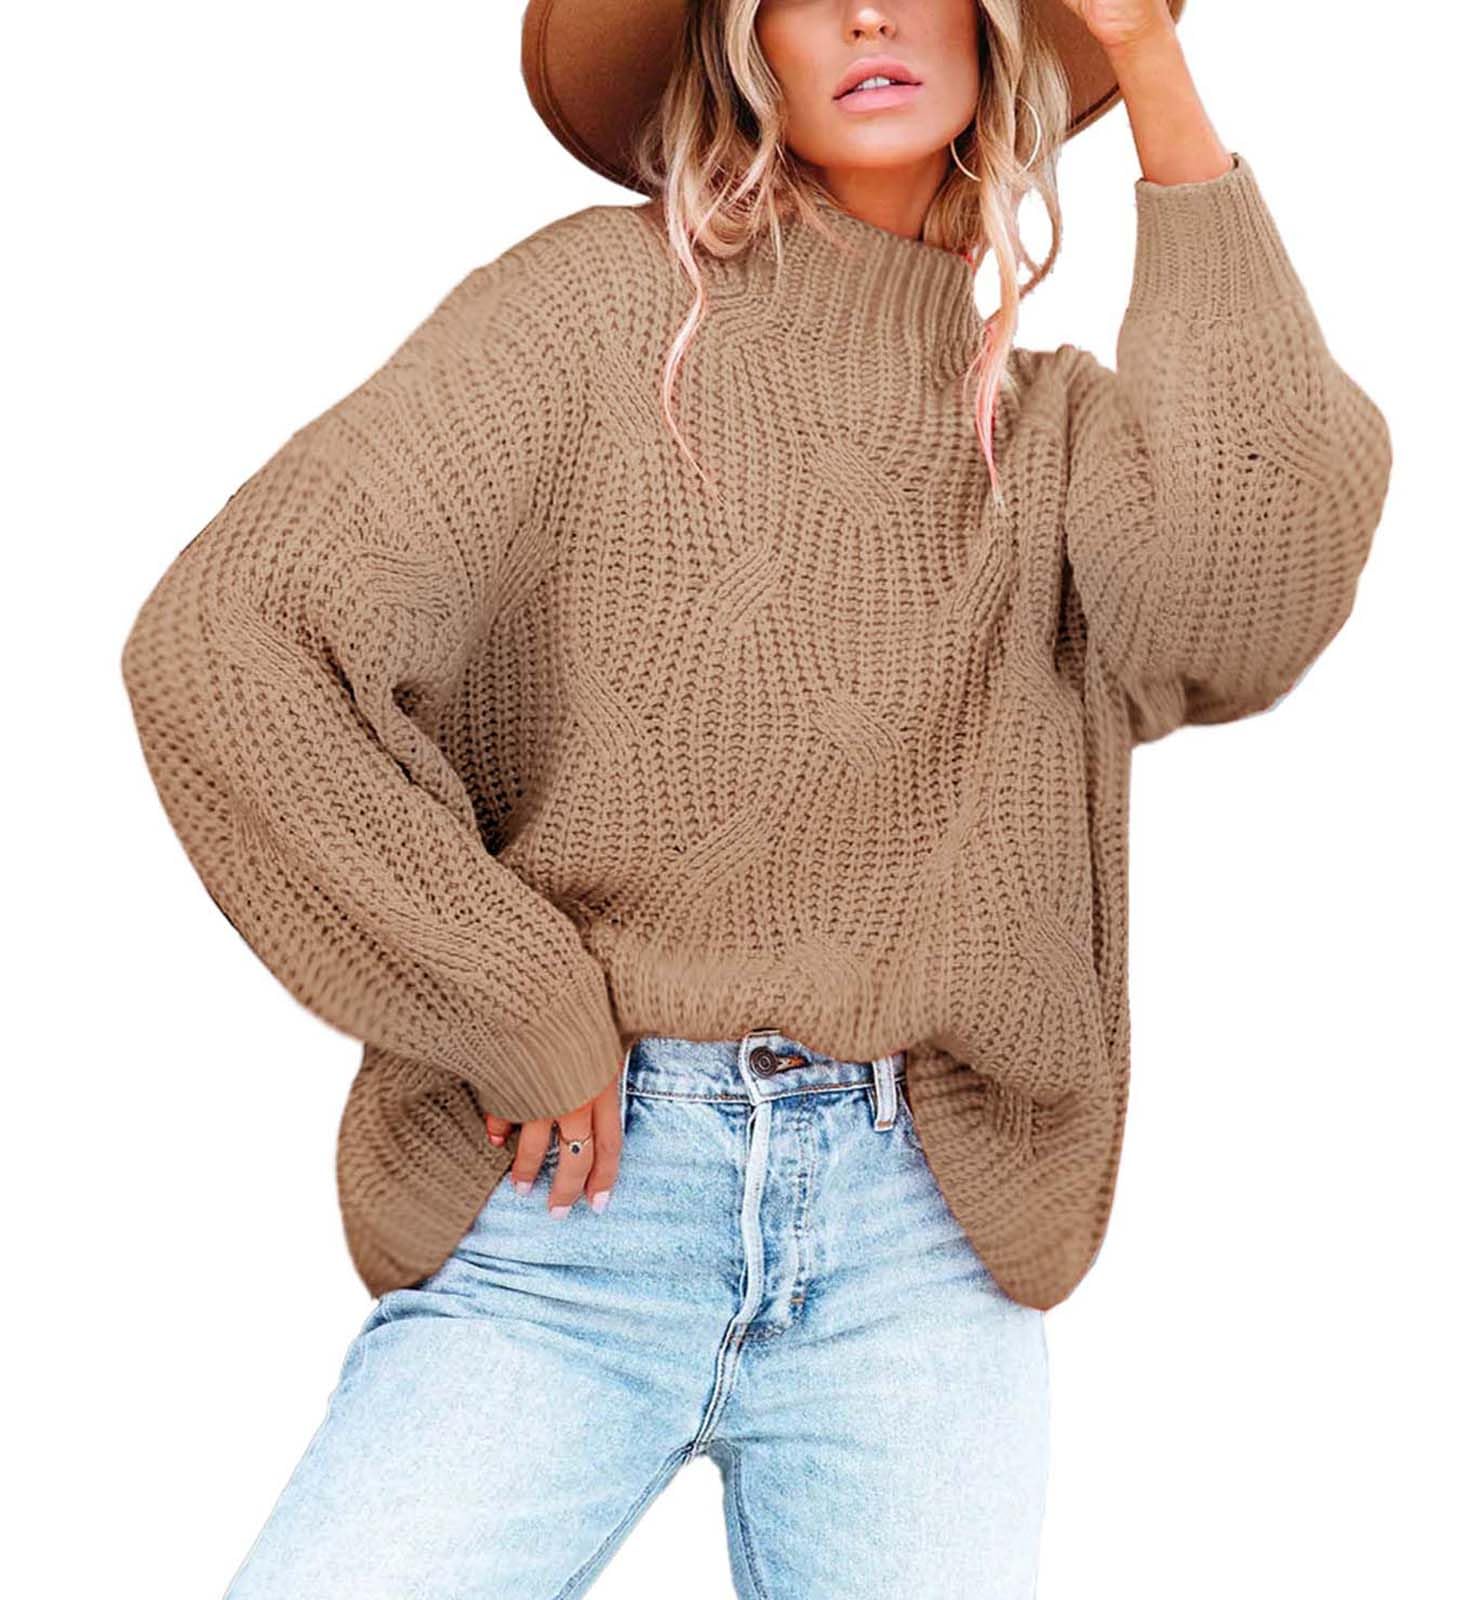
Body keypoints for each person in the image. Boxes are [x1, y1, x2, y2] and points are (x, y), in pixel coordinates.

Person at [118, 1, 1392, 1595]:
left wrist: (1145, 60)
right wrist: (510, 994)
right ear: (742, 41)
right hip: (578, 1210)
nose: (866, 10)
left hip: (922, 1246)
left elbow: (1254, 578)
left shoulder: (1058, 438)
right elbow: (229, 642)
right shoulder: (592, 312)